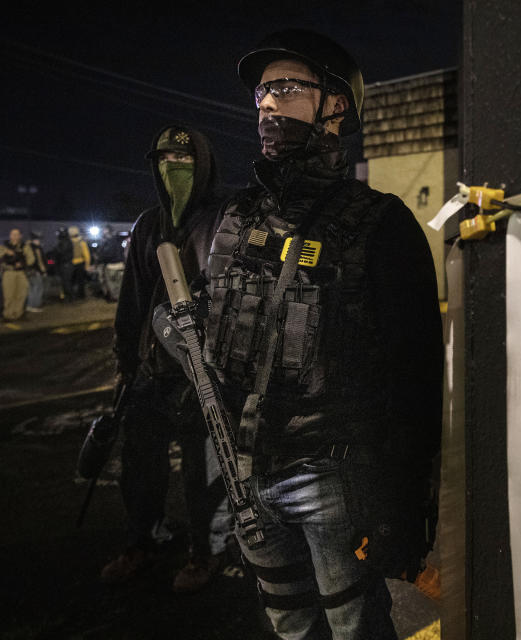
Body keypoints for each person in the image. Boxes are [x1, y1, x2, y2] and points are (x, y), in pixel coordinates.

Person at [198, 29, 442, 638]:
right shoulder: (236, 216)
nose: (267, 105)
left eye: (285, 88)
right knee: (289, 624)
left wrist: (406, 509)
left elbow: (416, 380)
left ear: (336, 103)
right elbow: (213, 323)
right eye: (261, 92)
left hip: (331, 477)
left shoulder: (379, 222)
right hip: (247, 473)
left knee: (355, 625)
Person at [100, 124, 230, 593]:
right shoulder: (147, 225)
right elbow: (131, 300)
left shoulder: (223, 221)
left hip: (202, 372)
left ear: (204, 164)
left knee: (205, 469)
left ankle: (207, 550)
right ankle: (142, 539)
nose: (174, 169)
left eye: (185, 161)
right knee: (139, 467)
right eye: (164, 162)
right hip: (151, 371)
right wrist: (124, 361)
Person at [2, 228, 35, 320]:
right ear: (10, 235)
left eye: (17, 234)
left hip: (21, 273)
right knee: (9, 295)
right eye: (12, 234)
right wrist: (7, 254)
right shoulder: (4, 246)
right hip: (9, 273)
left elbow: (31, 259)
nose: (14, 236)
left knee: (21, 294)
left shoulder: (25, 247)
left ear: (20, 236)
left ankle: (18, 314)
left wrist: (23, 263)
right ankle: (8, 315)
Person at [97, 225, 126, 302]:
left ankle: (115, 299)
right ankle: (120, 299)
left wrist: (101, 260)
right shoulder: (119, 240)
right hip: (121, 265)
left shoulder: (106, 242)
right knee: (120, 284)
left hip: (111, 266)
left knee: (112, 285)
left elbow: (104, 255)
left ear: (106, 231)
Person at [67, 225, 91, 300]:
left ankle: (70, 295)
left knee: (70, 281)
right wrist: (87, 266)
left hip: (70, 264)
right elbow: (87, 255)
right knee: (80, 281)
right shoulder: (82, 242)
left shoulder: (68, 242)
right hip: (80, 263)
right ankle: (81, 295)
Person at [25, 231, 47, 312]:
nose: (39, 241)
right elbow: (39, 261)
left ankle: (29, 305)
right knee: (38, 288)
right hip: (35, 271)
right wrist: (43, 271)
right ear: (34, 239)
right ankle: (35, 305)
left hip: (29, 271)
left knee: (31, 289)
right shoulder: (36, 248)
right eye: (38, 239)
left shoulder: (27, 247)